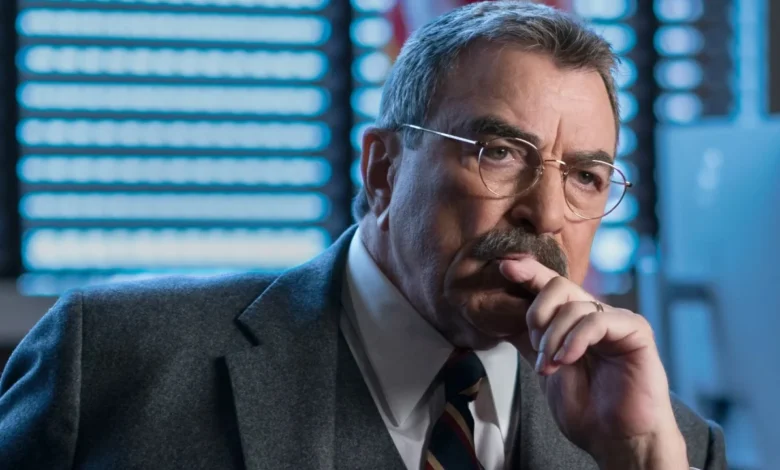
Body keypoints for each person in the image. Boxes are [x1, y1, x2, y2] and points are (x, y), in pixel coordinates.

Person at [0, 2, 726, 469]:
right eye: (500, 153)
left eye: (586, 177)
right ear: (382, 170)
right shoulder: (111, 362)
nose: (545, 214)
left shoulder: (670, 444)